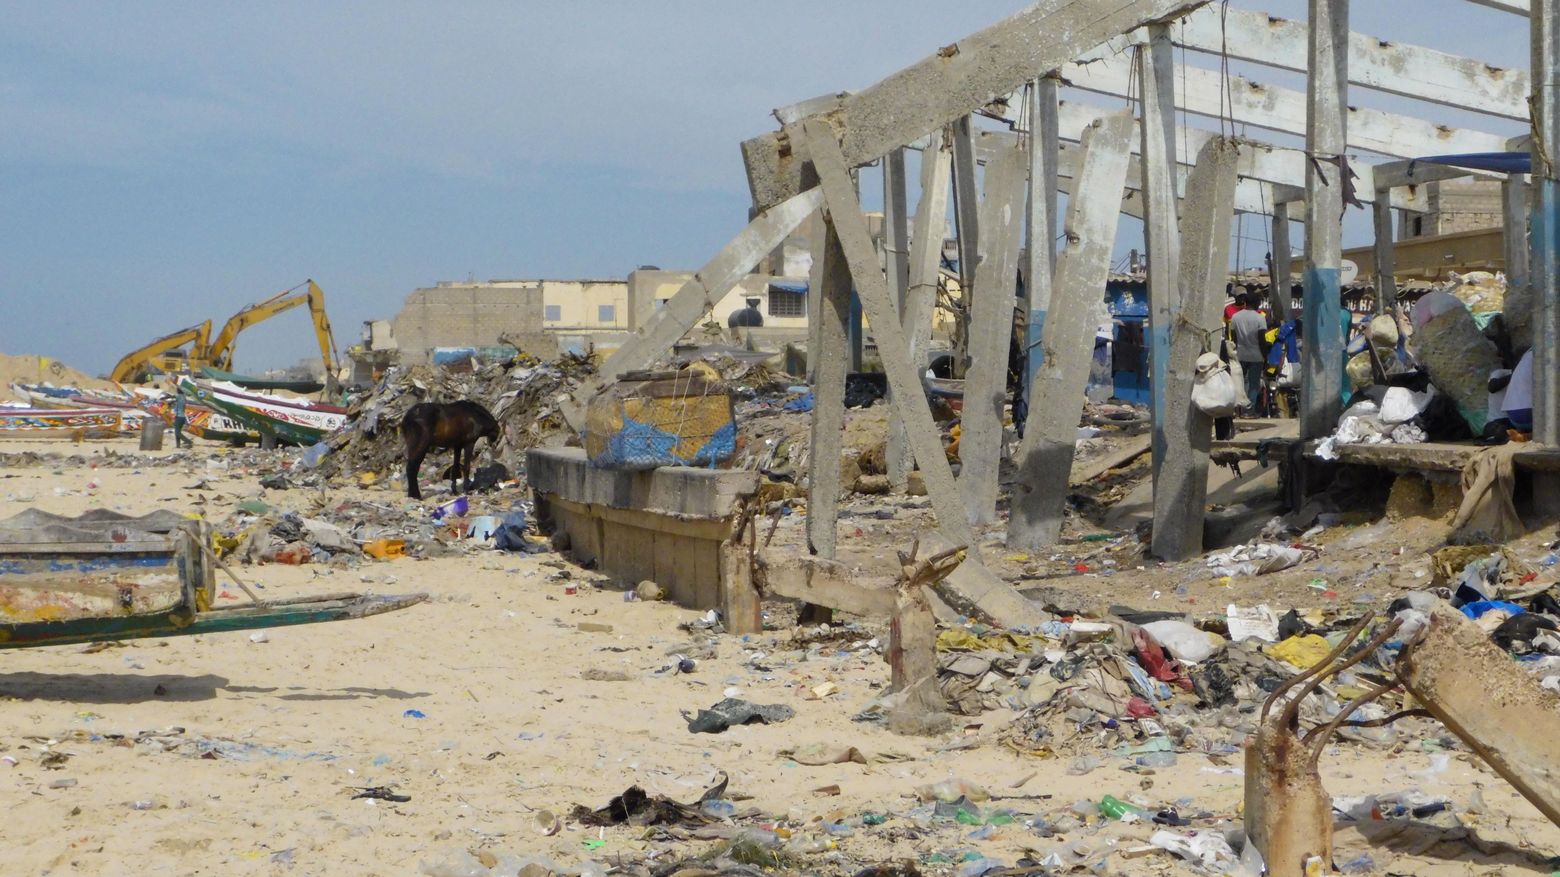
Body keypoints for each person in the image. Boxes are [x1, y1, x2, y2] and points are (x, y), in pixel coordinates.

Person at [1228, 294, 1269, 411]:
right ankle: (1249, 410)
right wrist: (1265, 357)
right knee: (1253, 384)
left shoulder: (1235, 317)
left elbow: (1234, 338)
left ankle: (1237, 409)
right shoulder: (1259, 318)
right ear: (1256, 303)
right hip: (1256, 356)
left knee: (1239, 383)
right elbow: (1262, 340)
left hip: (1240, 355)